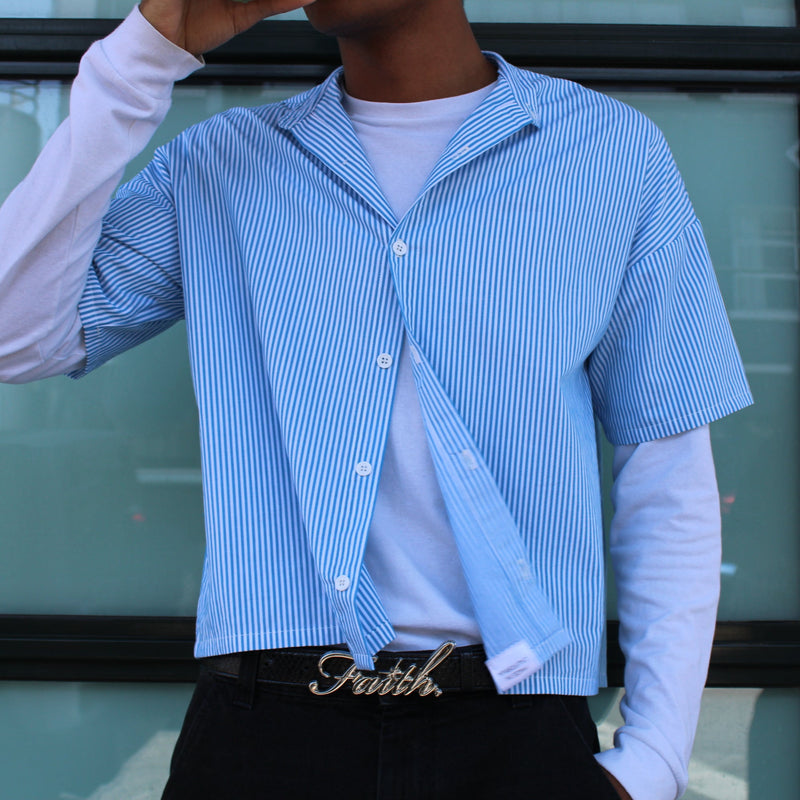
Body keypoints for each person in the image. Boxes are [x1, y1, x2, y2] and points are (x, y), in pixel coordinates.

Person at [0, 1, 752, 798]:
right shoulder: (219, 162)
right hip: (262, 734)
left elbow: (666, 472)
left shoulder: (610, 154)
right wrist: (150, 49)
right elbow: (17, 336)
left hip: (514, 732)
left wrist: (653, 763)